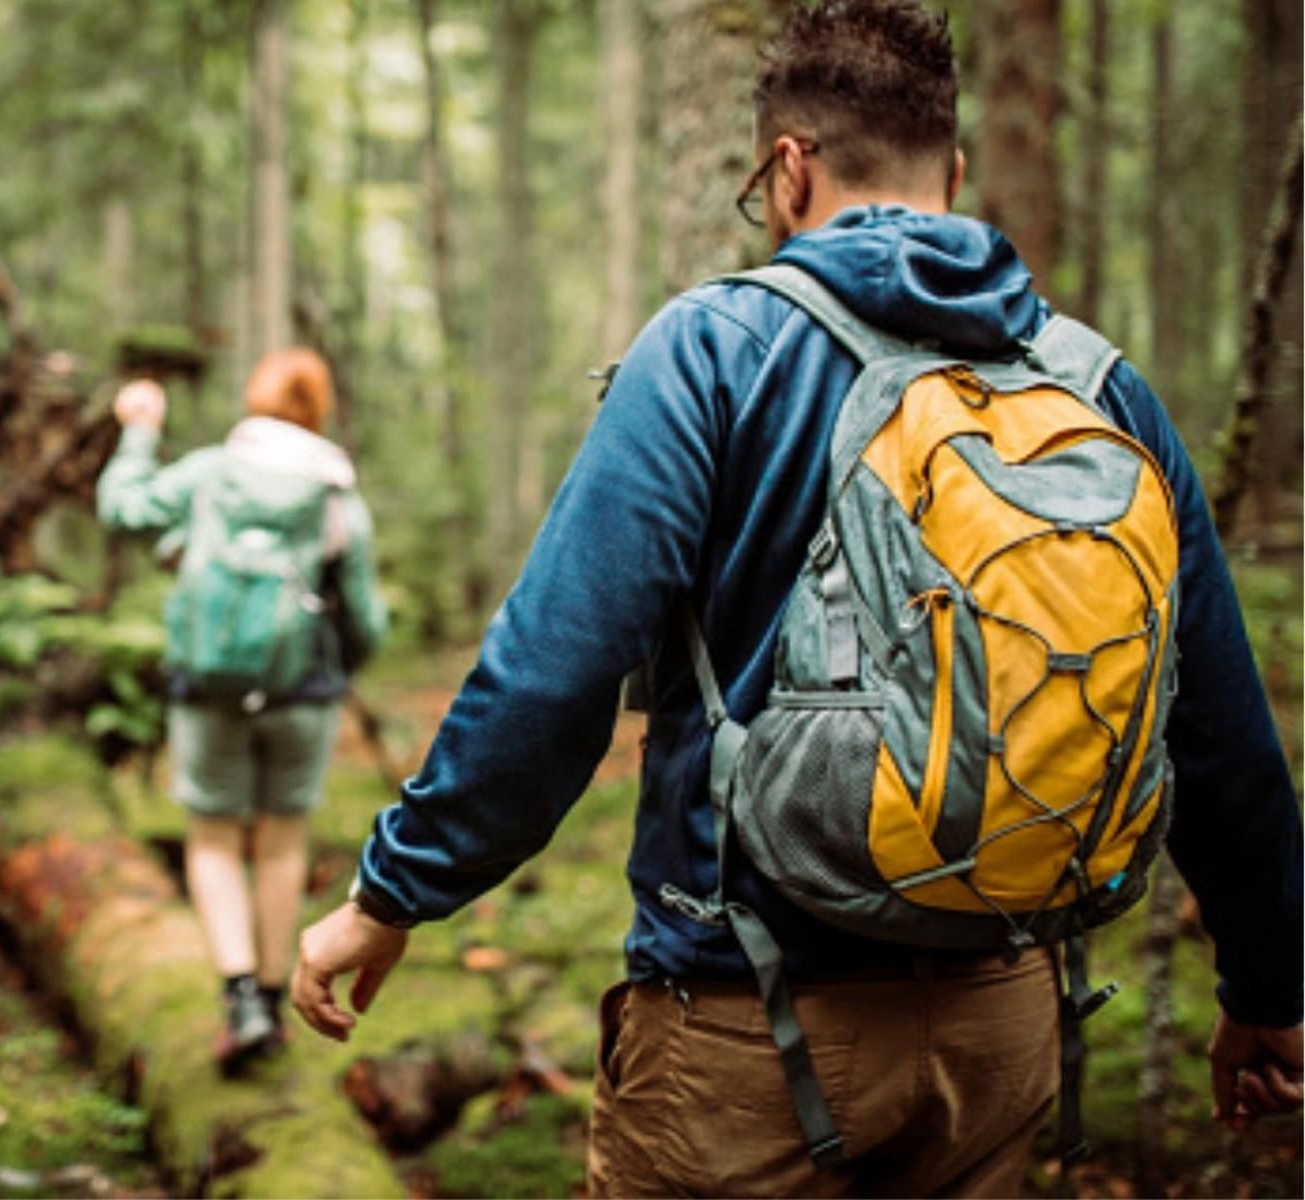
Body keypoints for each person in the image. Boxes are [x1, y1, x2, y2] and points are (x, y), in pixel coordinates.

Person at [290, 2, 1303, 1195]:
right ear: (955, 172)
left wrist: (392, 893)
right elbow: (1220, 729)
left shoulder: (715, 350)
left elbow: (555, 668)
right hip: (1005, 1025)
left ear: (787, 167)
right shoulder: (1096, 386)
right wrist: (1272, 989)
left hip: (746, 1034)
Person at [99, 348, 386, 1074]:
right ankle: (274, 991)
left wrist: (138, 428)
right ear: (318, 410)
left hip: (209, 690)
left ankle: (240, 1004)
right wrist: (339, 667)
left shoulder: (209, 473)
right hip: (302, 695)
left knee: (215, 839)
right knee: (282, 842)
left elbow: (123, 508)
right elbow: (365, 620)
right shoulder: (334, 497)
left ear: (255, 401)